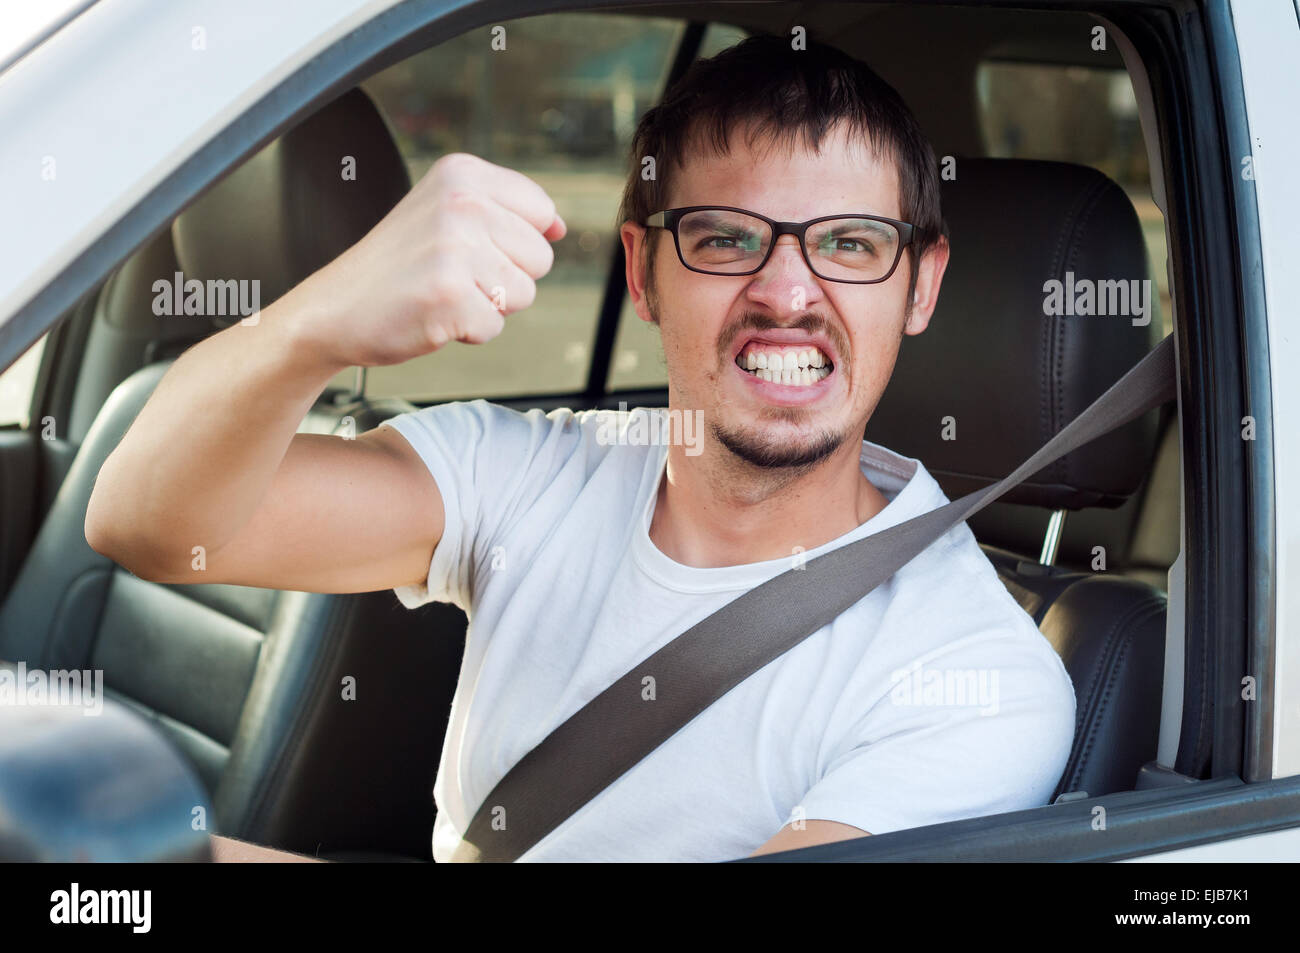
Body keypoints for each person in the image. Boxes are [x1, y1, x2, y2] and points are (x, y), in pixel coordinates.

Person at [86, 34, 1075, 863]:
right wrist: (316, 326)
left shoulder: (976, 677)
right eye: (727, 238)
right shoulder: (529, 471)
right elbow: (145, 521)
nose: (786, 292)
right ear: (642, 274)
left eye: (850, 243)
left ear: (920, 285)